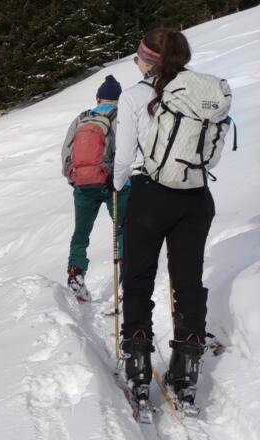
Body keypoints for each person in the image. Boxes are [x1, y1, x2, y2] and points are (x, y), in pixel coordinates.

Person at [114, 29, 233, 414]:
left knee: (137, 279)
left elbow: (123, 157)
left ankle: (137, 368)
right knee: (188, 283)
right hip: (196, 198)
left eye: (140, 56)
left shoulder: (134, 96)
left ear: (149, 61)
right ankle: (187, 373)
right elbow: (209, 159)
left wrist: (118, 186)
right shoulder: (201, 93)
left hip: (149, 195)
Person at [61, 75, 126, 302]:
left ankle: (75, 273)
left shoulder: (82, 118)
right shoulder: (120, 116)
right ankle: (125, 276)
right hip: (113, 184)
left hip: (83, 185)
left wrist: (73, 178)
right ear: (119, 99)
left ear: (97, 98)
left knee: (81, 234)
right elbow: (125, 150)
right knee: (122, 228)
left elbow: (66, 153)